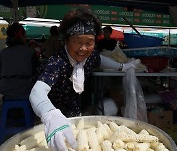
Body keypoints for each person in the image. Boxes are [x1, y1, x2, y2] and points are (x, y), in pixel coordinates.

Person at [29, 8, 139, 151]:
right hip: (52, 123)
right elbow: (37, 92)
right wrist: (50, 114)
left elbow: (101, 59)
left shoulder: (90, 56)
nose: (83, 48)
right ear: (66, 40)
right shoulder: (57, 62)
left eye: (89, 42)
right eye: (77, 41)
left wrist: (123, 67)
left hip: (75, 116)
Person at [0, 23, 39, 101]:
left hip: (4, 90)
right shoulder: (30, 52)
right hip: (24, 90)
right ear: (21, 36)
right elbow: (37, 72)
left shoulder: (2, 53)